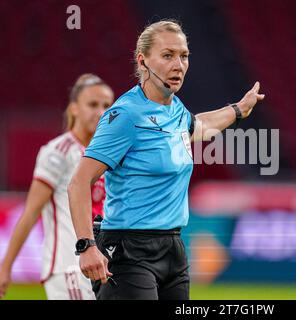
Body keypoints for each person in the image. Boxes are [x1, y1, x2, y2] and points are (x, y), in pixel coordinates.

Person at [68, 19, 265, 300]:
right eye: (168, 55)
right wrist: (86, 246)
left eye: (184, 56)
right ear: (143, 61)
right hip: (129, 251)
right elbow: (78, 182)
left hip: (173, 249)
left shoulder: (175, 109)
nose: (179, 64)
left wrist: (238, 109)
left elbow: (197, 126)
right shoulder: (125, 115)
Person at [0, 74, 114, 300]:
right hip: (68, 267)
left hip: (101, 263)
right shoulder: (58, 153)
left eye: (106, 106)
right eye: (92, 104)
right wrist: (6, 267)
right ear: (74, 109)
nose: (100, 112)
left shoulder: (109, 155)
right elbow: (30, 213)